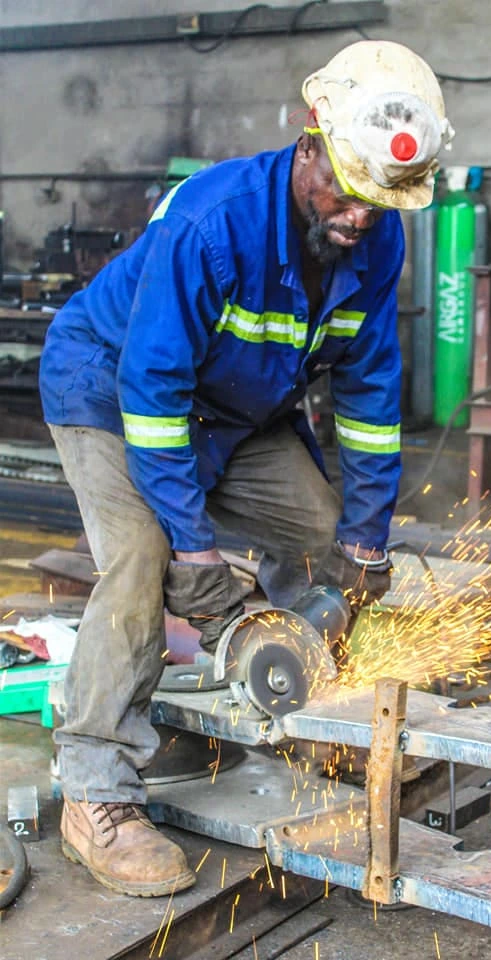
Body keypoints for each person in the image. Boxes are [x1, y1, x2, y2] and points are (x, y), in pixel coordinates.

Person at [38, 40, 452, 897]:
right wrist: (193, 552)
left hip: (233, 408)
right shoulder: (213, 219)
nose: (360, 216)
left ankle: (286, 694)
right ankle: (96, 789)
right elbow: (152, 391)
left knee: (323, 536)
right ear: (310, 143)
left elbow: (370, 398)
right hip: (111, 388)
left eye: (379, 201)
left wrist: (366, 545)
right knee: (144, 558)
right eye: (347, 189)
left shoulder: (376, 240)